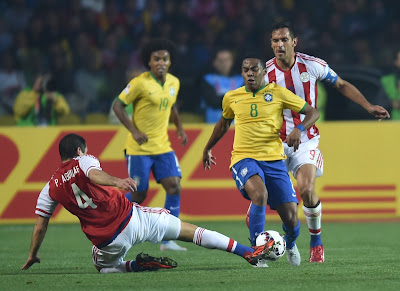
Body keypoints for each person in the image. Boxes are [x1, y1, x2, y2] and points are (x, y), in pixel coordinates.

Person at [22, 134, 274, 272]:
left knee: (105, 268)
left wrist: (33, 254)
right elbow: (93, 174)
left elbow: (40, 226)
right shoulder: (84, 160)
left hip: (107, 241)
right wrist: (117, 181)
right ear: (79, 150)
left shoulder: (49, 188)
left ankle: (136, 266)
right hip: (133, 218)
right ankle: (247, 252)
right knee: (191, 231)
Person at [264, 21, 390, 263]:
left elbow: (341, 84)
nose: (279, 45)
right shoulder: (265, 73)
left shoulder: (312, 65)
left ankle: (316, 242)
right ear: (271, 44)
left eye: (284, 40)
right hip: (275, 143)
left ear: (294, 42)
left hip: (307, 139)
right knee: (285, 206)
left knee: (307, 191)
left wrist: (368, 106)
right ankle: (290, 241)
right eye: (275, 41)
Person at [202, 55, 320, 267]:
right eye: (246, 70)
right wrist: (208, 147)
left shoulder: (277, 93)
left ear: (264, 72)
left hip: (274, 159)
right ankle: (256, 252)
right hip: (243, 157)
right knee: (260, 194)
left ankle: (290, 243)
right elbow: (223, 124)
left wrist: (299, 129)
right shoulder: (232, 97)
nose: (250, 73)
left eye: (254, 69)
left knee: (292, 219)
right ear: (242, 73)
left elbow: (312, 112)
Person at [112, 39, 188, 251]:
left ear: (170, 61)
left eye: (165, 58)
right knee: (139, 193)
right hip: (139, 149)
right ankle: (109, 212)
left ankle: (168, 239)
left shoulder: (174, 82)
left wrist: (179, 128)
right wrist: (134, 131)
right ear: (149, 62)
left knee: (174, 186)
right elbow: (117, 106)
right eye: (156, 59)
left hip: (162, 146)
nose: (161, 62)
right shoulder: (139, 83)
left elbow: (171, 106)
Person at [199, 48, 244, 123]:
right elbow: (212, 101)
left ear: (232, 62)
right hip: (212, 127)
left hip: (237, 127)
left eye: (226, 60)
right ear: (214, 62)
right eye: (220, 61)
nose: (224, 63)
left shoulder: (241, 80)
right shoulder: (207, 79)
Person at [381, 49, 400, 120]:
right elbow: (379, 102)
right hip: (393, 125)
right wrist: (391, 103)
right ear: (396, 62)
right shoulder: (387, 80)